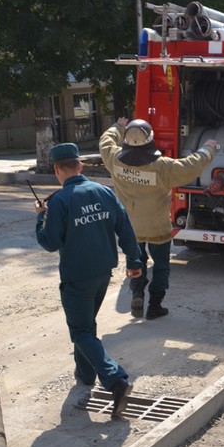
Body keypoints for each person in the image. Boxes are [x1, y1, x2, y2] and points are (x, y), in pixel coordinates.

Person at [34, 143, 143, 418]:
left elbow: (49, 242)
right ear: (80, 166)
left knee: (81, 331)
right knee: (87, 324)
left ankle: (115, 379)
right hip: (102, 273)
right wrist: (134, 261)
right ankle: (85, 376)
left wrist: (40, 218)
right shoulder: (104, 192)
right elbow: (125, 228)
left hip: (76, 277)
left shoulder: (59, 201)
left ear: (57, 170)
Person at [99, 118, 216, 319]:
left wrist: (118, 126)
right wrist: (208, 148)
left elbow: (105, 141)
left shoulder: (114, 159)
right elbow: (192, 165)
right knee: (161, 266)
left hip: (131, 227)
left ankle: (137, 294)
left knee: (136, 262)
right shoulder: (162, 167)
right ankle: (155, 306)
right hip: (157, 229)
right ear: (150, 140)